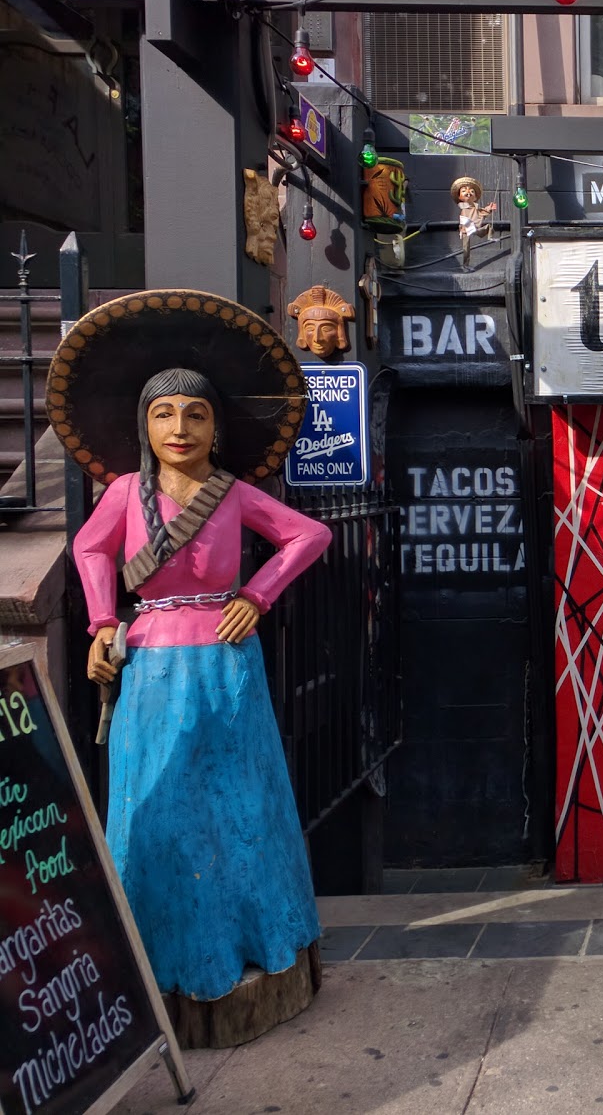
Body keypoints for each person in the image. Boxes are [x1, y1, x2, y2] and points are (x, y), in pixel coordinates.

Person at [74, 366, 331, 1003]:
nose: (179, 428)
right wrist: (103, 621)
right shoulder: (126, 491)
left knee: (242, 802)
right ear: (145, 425)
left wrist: (257, 592)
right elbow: (89, 549)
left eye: (195, 414)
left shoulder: (233, 492)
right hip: (151, 660)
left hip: (225, 663)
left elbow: (310, 533)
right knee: (155, 805)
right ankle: (156, 954)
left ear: (215, 428)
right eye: (164, 414)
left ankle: (255, 936)